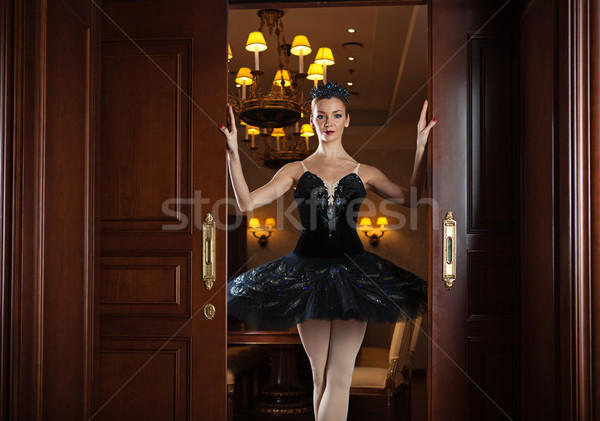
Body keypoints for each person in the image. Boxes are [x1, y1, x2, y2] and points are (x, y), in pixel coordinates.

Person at [219, 81, 436, 421]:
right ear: (312, 121)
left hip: (355, 277)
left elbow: (410, 198)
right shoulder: (295, 170)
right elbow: (246, 202)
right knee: (320, 376)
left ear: (347, 120)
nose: (329, 122)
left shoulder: (366, 172)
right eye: (322, 116)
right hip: (306, 276)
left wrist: (421, 147)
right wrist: (233, 152)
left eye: (336, 115)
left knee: (339, 376)